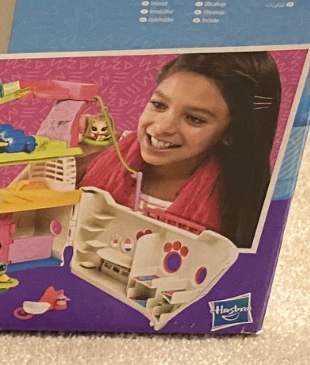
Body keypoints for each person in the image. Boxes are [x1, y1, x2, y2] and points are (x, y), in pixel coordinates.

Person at [80, 51, 281, 249]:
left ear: (231, 133)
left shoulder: (242, 206)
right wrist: (75, 152)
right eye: (158, 105)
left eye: (194, 119)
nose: (162, 128)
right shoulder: (103, 149)